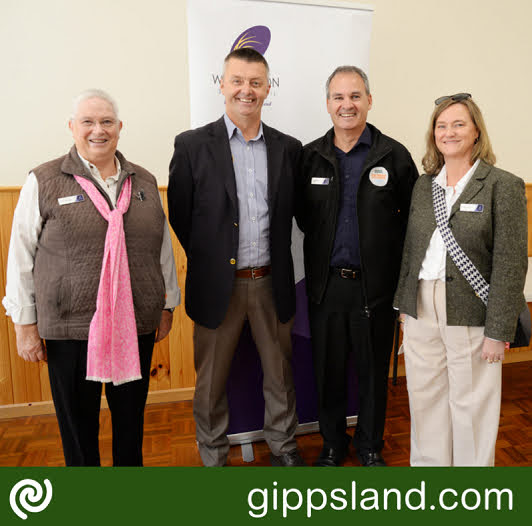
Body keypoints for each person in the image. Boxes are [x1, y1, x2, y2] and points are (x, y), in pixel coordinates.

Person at [2, 89, 180, 466]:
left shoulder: (144, 181)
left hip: (134, 324)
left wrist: (167, 304)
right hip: (70, 328)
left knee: (130, 423)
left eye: (106, 122)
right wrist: (24, 324)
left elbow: (160, 248)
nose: (97, 130)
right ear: (71, 127)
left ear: (119, 128)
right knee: (79, 429)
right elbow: (20, 256)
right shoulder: (45, 180)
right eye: (87, 122)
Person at [167, 48, 304, 467]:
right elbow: (182, 215)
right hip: (217, 286)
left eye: (256, 83)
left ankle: (284, 448)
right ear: (222, 85)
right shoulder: (192, 146)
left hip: (270, 281)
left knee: (280, 376)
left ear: (267, 88)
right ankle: (213, 455)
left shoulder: (288, 148)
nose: (247, 90)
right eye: (238, 81)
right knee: (210, 382)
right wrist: (214, 260)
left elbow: (295, 213)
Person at [394, 93, 527, 466]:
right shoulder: (425, 186)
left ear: (476, 131)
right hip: (421, 306)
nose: (448, 132)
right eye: (441, 125)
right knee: (425, 400)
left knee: (470, 405)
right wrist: (404, 307)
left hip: (473, 309)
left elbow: (510, 263)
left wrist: (499, 330)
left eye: (458, 124)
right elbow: (411, 250)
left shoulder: (503, 185)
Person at [296, 66, 418, 467]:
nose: (346, 104)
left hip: (375, 289)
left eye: (355, 96)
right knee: (328, 372)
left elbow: (412, 221)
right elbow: (303, 217)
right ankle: (332, 444)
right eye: (338, 97)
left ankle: (369, 446)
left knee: (372, 374)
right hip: (327, 287)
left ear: (369, 100)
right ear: (328, 104)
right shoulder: (310, 156)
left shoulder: (394, 155)